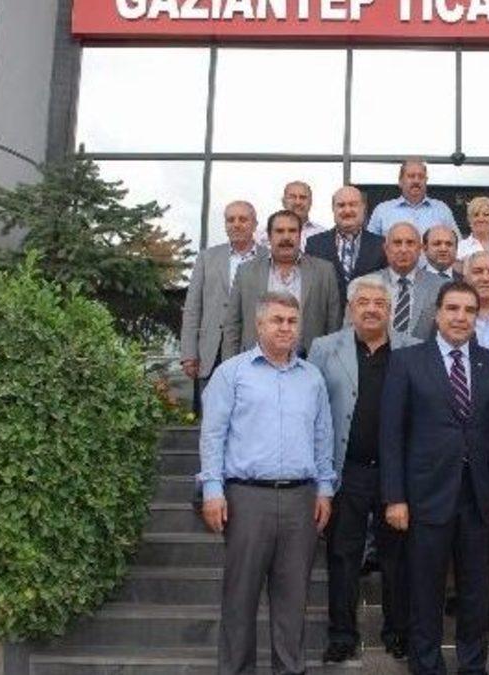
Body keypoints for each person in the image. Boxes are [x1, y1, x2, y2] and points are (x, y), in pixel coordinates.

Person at [197, 291, 336, 675]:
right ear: (259, 324)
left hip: (300, 499)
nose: (285, 328)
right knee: (239, 597)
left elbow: (323, 437)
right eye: (277, 320)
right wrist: (212, 490)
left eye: (292, 321)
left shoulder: (312, 378)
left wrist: (325, 489)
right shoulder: (232, 373)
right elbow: (213, 436)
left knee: (293, 600)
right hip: (246, 498)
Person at [380, 281, 489, 675]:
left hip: (478, 496)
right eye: (452, 308)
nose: (460, 317)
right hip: (425, 496)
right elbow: (391, 434)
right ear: (437, 314)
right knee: (425, 589)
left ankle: (473, 665)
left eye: (469, 310)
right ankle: (426, 664)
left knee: (475, 591)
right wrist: (395, 497)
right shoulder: (407, 361)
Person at [308, 275, 418, 663]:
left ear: (391, 310)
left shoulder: (413, 349)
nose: (372, 309)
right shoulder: (324, 348)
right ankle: (342, 635)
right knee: (343, 555)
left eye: (380, 303)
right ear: (350, 308)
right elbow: (313, 411)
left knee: (398, 557)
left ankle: (398, 631)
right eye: (363, 302)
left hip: (396, 474)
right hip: (346, 470)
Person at [423, 250, 489, 618]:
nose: (485, 276)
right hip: (458, 420)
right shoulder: (450, 318)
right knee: (456, 506)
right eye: (478, 271)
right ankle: (454, 587)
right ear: (465, 278)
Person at [180, 200, 269, 408]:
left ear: (255, 224)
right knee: (214, 416)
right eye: (230, 220)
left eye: (243, 219)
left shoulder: (269, 258)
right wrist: (189, 353)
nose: (236, 224)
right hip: (212, 352)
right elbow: (193, 308)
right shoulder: (207, 258)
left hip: (255, 349)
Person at [223, 210, 342, 357]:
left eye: (292, 231)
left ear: (300, 235)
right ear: (269, 236)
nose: (286, 237)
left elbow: (333, 325)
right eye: (279, 231)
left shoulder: (324, 271)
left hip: (310, 361)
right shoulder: (246, 271)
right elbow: (232, 325)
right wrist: (230, 364)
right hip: (255, 362)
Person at [304, 185, 388, 309]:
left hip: (368, 315)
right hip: (327, 317)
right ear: (333, 209)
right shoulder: (315, 244)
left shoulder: (380, 245)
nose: (347, 210)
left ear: (363, 208)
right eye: (341, 205)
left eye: (353, 205)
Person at [378, 221, 445, 337]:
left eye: (410, 243)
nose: (403, 249)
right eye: (397, 243)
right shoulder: (365, 285)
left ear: (420, 249)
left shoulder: (442, 287)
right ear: (386, 249)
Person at [367, 159, 458, 237]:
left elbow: (457, 244)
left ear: (426, 181)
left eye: (421, 177)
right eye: (411, 176)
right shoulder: (382, 211)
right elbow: (370, 246)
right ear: (400, 181)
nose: (416, 181)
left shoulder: (442, 210)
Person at [256, 180, 327, 248]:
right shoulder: (262, 235)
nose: (298, 202)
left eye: (303, 197)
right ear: (283, 201)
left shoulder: (323, 235)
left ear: (310, 202)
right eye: (292, 197)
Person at [455, 196, 489, 264]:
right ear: (469, 220)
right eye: (476, 215)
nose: (481, 219)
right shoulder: (461, 247)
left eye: (486, 215)